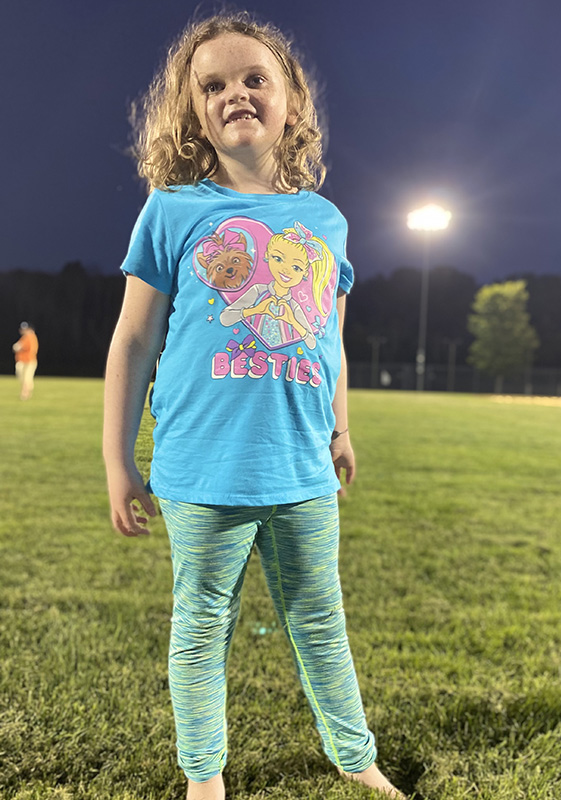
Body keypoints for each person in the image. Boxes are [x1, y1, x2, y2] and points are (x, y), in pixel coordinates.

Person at [103, 13, 404, 800]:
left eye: (253, 78)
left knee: (321, 624)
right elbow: (133, 343)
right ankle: (205, 776)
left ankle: (354, 757)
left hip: (301, 467)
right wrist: (115, 461)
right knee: (202, 629)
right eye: (213, 85)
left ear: (291, 103)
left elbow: (328, 342)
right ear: (194, 112)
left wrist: (342, 430)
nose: (234, 92)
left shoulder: (325, 222)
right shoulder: (173, 209)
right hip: (200, 471)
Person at [13, 322, 39, 400]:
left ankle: (25, 393)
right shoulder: (25, 337)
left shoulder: (30, 337)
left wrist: (18, 347)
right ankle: (27, 391)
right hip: (23, 360)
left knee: (26, 378)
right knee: (23, 377)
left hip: (29, 361)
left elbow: (25, 347)